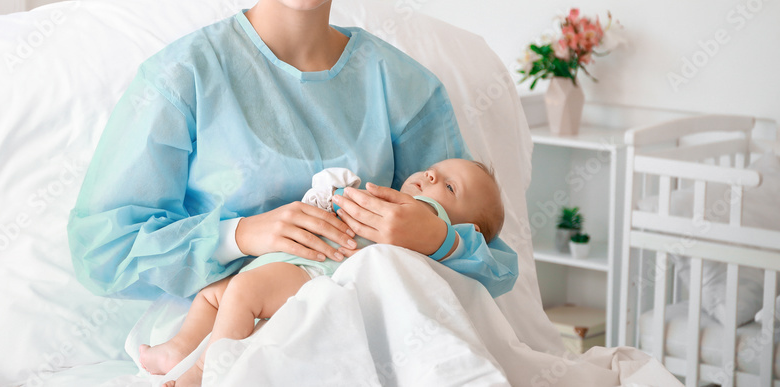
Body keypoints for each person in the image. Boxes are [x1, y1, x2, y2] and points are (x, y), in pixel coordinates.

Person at [67, 0, 484, 340]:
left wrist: (436, 239)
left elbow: (490, 253)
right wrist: (241, 234)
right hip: (220, 331)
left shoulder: (403, 85)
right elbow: (103, 250)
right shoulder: (184, 76)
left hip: (360, 328)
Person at [139, 158, 518, 386]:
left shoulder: (427, 217)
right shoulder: (396, 197)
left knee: (241, 293)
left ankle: (206, 370)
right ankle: (178, 350)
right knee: (215, 294)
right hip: (282, 258)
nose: (431, 178)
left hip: (312, 272)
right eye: (434, 171)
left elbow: (496, 267)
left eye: (449, 187)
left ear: (470, 230)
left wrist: (441, 235)